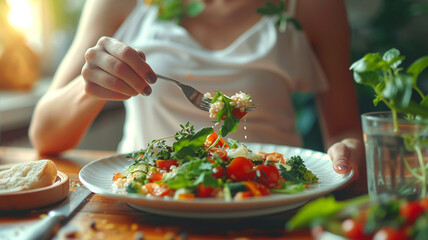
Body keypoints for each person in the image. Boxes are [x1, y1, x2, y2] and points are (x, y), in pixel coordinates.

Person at [29, 0, 366, 195]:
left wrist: (347, 152)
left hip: (271, 200)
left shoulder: (315, 6)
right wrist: (88, 89)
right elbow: (44, 136)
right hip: (146, 199)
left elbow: (343, 132)